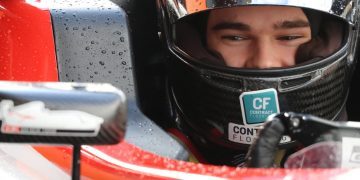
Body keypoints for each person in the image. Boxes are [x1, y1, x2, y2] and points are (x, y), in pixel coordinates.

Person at [157, 0, 359, 166]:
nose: (264, 62)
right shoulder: (150, 156)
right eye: (235, 37)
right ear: (196, 43)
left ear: (324, 41)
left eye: (289, 36)